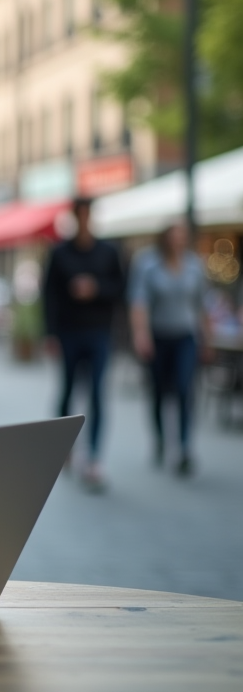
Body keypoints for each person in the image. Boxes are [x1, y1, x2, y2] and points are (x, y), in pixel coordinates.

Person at [41, 196, 125, 489]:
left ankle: (94, 458)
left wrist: (96, 288)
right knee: (67, 391)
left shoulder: (108, 252)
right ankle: (63, 450)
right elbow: (49, 294)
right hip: (68, 332)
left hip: (98, 332)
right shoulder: (60, 253)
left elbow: (119, 289)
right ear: (75, 217)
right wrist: (49, 333)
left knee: (97, 393)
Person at [128, 221, 213, 476]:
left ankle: (185, 448)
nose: (179, 240)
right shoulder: (148, 264)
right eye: (175, 235)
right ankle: (161, 440)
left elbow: (202, 304)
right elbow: (139, 301)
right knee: (158, 392)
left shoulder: (194, 265)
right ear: (165, 238)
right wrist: (141, 334)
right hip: (158, 336)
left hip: (186, 336)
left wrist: (207, 338)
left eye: (183, 235)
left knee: (186, 390)